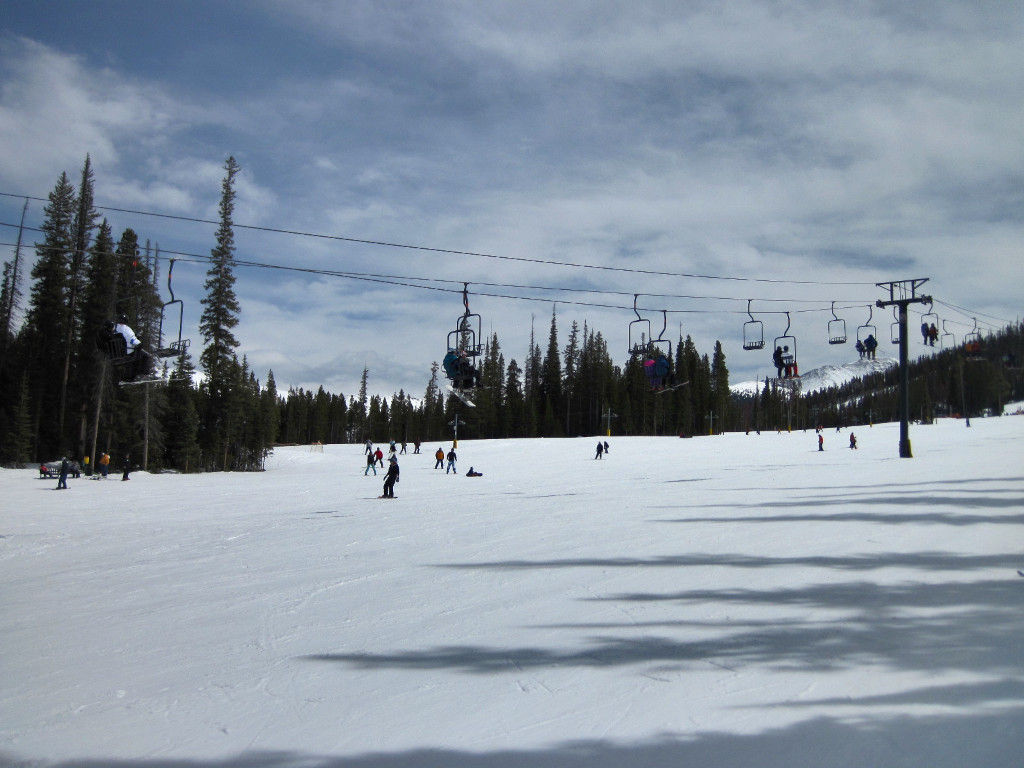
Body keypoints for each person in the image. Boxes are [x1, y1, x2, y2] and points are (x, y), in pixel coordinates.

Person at [114, 315, 154, 380]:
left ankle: (128, 377)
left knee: (133, 358)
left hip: (117, 352)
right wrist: (139, 343)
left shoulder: (114, 328)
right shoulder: (126, 329)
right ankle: (144, 374)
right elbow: (132, 339)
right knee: (144, 356)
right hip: (126, 350)